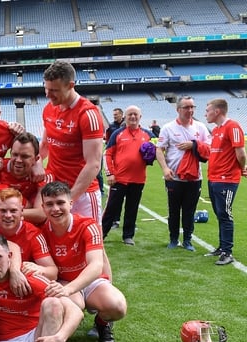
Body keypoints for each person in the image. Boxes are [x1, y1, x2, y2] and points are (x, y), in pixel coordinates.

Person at [39, 181, 127, 342]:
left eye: (60, 203)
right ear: (43, 207)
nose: (55, 209)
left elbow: (95, 266)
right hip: (63, 281)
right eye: (49, 204)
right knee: (73, 306)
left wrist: (69, 289)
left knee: (117, 306)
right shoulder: (41, 231)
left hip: (89, 281)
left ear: (71, 203)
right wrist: (65, 288)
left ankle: (102, 323)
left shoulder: (88, 225)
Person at [41, 60, 106, 222]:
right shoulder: (49, 108)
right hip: (55, 193)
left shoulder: (87, 114)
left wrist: (70, 198)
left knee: (90, 243)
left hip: (82, 194)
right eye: (46, 89)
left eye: (54, 90)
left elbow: (93, 164)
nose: (48, 95)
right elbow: (44, 146)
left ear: (70, 85)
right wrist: (35, 166)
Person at [155, 96, 212, 251]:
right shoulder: (168, 127)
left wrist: (194, 145)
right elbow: (159, 149)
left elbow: (209, 148)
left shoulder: (200, 127)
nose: (190, 110)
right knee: (174, 211)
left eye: (192, 107)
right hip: (174, 177)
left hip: (194, 177)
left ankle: (187, 240)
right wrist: (165, 169)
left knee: (189, 211)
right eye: (186, 107)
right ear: (178, 109)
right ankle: (173, 239)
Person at [201, 98, 246, 265]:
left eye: (207, 110)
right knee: (220, 214)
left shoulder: (232, 126)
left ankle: (227, 252)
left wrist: (242, 168)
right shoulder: (216, 130)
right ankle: (221, 247)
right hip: (214, 178)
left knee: (225, 214)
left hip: (226, 179)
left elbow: (240, 153)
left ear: (217, 111)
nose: (205, 114)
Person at [101, 105, 154, 245]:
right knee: (111, 208)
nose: (133, 117)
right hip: (119, 179)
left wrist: (153, 156)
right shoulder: (117, 134)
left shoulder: (148, 135)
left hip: (138, 179)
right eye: (130, 114)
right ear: (125, 117)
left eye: (135, 114)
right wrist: (110, 173)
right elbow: (108, 153)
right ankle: (101, 233)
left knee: (132, 208)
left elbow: (160, 150)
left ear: (140, 117)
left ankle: (128, 236)